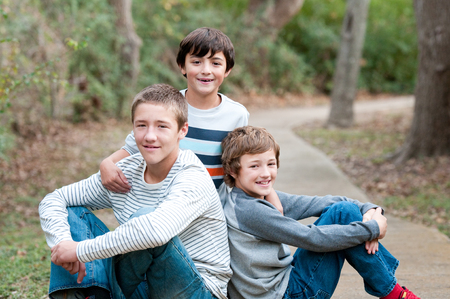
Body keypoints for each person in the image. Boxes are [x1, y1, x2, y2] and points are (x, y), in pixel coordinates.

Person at [39, 84, 232, 299]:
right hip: (142, 285)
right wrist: (63, 242)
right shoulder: (126, 172)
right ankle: (83, 295)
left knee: (145, 222)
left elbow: (155, 231)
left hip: (199, 289)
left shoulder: (192, 176)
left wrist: (79, 250)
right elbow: (55, 198)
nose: (150, 136)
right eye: (142, 125)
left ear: (182, 130)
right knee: (73, 211)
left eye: (162, 126)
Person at [219, 125, 421, 299]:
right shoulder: (250, 210)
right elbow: (312, 238)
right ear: (233, 171)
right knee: (345, 215)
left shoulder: (245, 197)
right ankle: (395, 294)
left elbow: (319, 203)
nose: (265, 173)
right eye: (254, 166)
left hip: (282, 286)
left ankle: (393, 292)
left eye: (271, 164)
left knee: (344, 210)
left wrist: (369, 209)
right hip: (289, 294)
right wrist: (371, 229)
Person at [98, 27, 284, 214]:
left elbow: (246, 161)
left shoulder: (236, 114)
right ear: (182, 66)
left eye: (215, 63)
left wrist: (270, 195)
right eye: (196, 62)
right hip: (165, 206)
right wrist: (107, 163)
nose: (206, 70)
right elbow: (132, 147)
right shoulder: (167, 106)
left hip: (210, 211)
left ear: (227, 70)